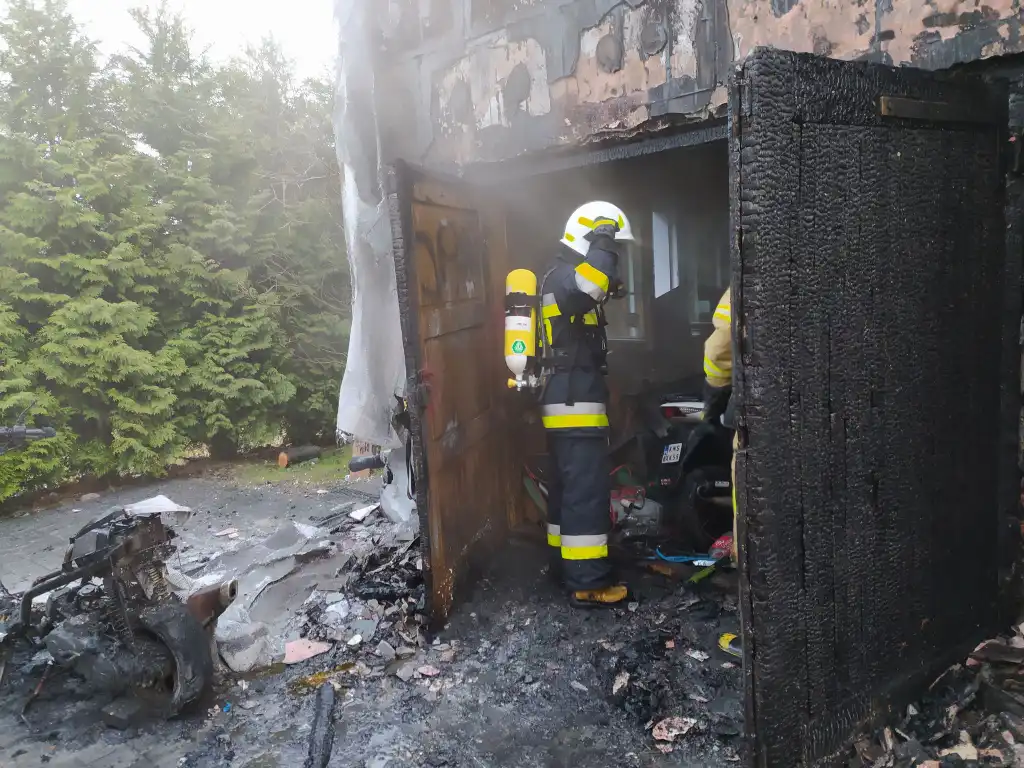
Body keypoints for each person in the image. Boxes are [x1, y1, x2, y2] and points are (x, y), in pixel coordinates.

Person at [541, 201, 633, 608]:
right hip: (574, 401)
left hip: (566, 399)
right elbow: (591, 283)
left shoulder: (558, 278)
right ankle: (588, 582)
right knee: (586, 490)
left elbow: (593, 289)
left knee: (566, 489)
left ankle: (565, 567)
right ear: (585, 238)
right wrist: (604, 236)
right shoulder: (567, 279)